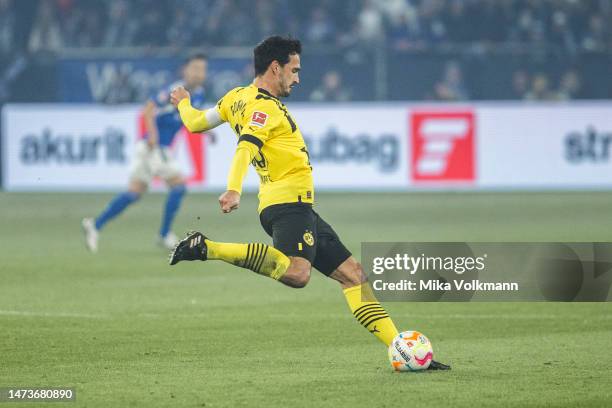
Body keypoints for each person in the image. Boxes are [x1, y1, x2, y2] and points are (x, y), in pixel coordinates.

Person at [168, 36, 449, 369]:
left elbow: (196, 123)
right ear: (276, 68)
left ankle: (401, 349)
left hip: (298, 207)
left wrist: (183, 102)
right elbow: (246, 146)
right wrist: (233, 189)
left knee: (353, 275)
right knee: (299, 274)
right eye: (294, 70)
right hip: (285, 204)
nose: (298, 78)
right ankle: (205, 248)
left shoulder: (235, 98)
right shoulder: (264, 107)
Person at [81, 54, 208, 252]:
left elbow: (190, 119)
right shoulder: (175, 90)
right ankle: (164, 234)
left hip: (151, 149)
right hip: (154, 147)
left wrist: (207, 133)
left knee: (134, 193)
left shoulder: (198, 94)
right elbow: (148, 109)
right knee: (179, 186)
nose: (200, 73)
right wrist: (153, 135)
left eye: (203, 69)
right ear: (185, 70)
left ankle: (95, 225)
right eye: (196, 69)